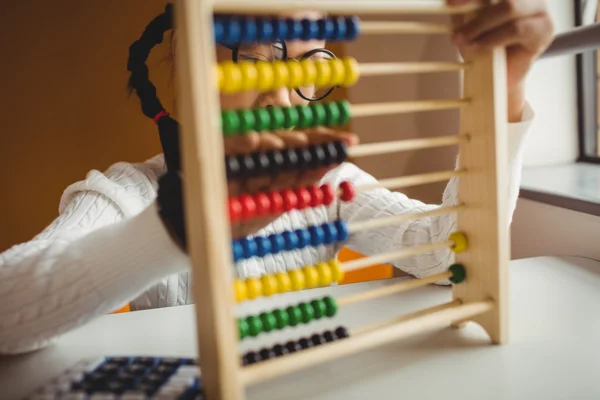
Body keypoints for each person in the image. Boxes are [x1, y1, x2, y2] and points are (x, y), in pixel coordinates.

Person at [0, 0, 553, 355]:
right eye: (256, 56)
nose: (280, 97)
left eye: (308, 67)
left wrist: (503, 91)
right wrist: (180, 226)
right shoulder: (129, 194)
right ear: (190, 61)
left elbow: (445, 255)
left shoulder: (326, 187)